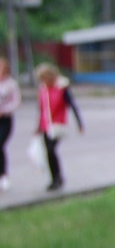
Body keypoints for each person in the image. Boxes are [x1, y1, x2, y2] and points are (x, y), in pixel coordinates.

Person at [34, 64, 82, 192]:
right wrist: (38, 126)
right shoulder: (43, 89)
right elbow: (41, 109)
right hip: (45, 125)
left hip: (57, 125)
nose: (43, 81)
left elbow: (72, 105)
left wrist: (79, 124)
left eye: (44, 78)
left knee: (51, 150)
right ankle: (55, 178)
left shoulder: (61, 88)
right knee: (48, 152)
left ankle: (58, 177)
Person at [0, 59, 18, 192]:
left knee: (0, 144)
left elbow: (16, 102)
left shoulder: (11, 84)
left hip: (5, 119)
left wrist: (5, 110)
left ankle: (3, 174)